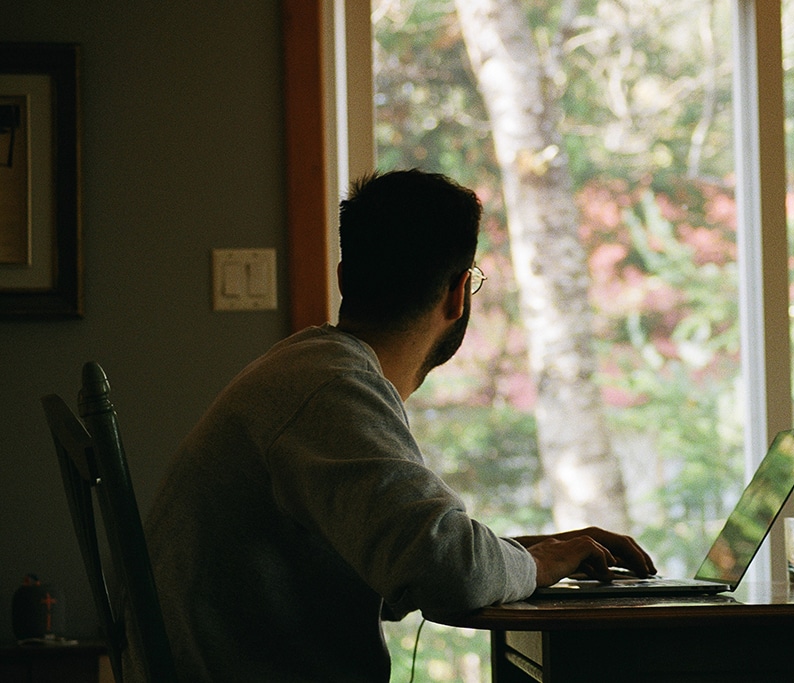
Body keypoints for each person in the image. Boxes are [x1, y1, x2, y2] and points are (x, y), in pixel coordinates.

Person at [126, 169, 656, 682]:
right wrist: (535, 566)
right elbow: (448, 570)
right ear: (457, 295)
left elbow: (416, 553)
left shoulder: (307, 370)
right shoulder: (330, 388)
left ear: (343, 278)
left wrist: (531, 555)